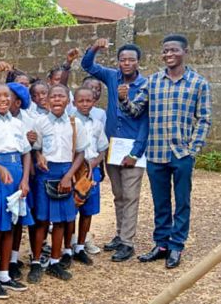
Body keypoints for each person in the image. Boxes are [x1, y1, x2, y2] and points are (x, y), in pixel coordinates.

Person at [127, 34, 212, 269]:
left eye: (173, 50)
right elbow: (136, 111)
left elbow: (204, 119)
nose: (168, 54)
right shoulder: (152, 82)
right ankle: (161, 244)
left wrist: (193, 149)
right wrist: (125, 99)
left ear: (185, 52)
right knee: (160, 201)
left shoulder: (198, 83)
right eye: (165, 51)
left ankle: (177, 246)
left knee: (182, 201)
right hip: (156, 153)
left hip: (181, 153)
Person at [81, 38, 149, 262]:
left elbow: (145, 122)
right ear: (118, 62)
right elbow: (88, 66)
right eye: (122, 59)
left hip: (132, 149)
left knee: (130, 196)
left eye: (131, 59)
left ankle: (128, 243)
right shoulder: (112, 77)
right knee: (118, 195)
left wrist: (135, 153)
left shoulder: (145, 86)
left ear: (138, 62)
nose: (126, 63)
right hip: (112, 147)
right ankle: (121, 235)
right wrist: (95, 48)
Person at [0, 83, 32, 299]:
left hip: (17, 173)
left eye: (6, 96)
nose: (3, 100)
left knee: (11, 224)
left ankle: (4, 273)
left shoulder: (18, 123)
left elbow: (26, 153)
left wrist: (25, 179)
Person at [32, 84, 88, 281]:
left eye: (60, 96)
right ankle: (36, 261)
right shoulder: (40, 122)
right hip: (45, 173)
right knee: (41, 220)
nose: (56, 99)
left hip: (65, 171)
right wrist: (38, 156)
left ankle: (55, 261)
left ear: (68, 101)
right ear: (47, 100)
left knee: (61, 221)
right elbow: (36, 147)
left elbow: (81, 153)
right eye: (53, 96)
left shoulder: (75, 124)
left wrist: (68, 176)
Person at [71, 87, 108, 266]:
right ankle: (67, 247)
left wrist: (93, 165)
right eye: (81, 101)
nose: (85, 104)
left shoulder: (97, 124)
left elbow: (102, 149)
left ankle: (80, 246)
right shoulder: (70, 122)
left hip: (92, 171)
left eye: (88, 101)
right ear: (74, 103)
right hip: (73, 171)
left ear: (94, 103)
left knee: (88, 210)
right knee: (71, 209)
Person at [6, 82, 38, 281]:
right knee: (4, 219)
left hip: (25, 173)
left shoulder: (28, 120)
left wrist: (33, 142)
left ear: (17, 102)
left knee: (19, 218)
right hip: (8, 173)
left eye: (7, 98)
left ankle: (13, 258)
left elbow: (31, 149)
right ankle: (4, 260)